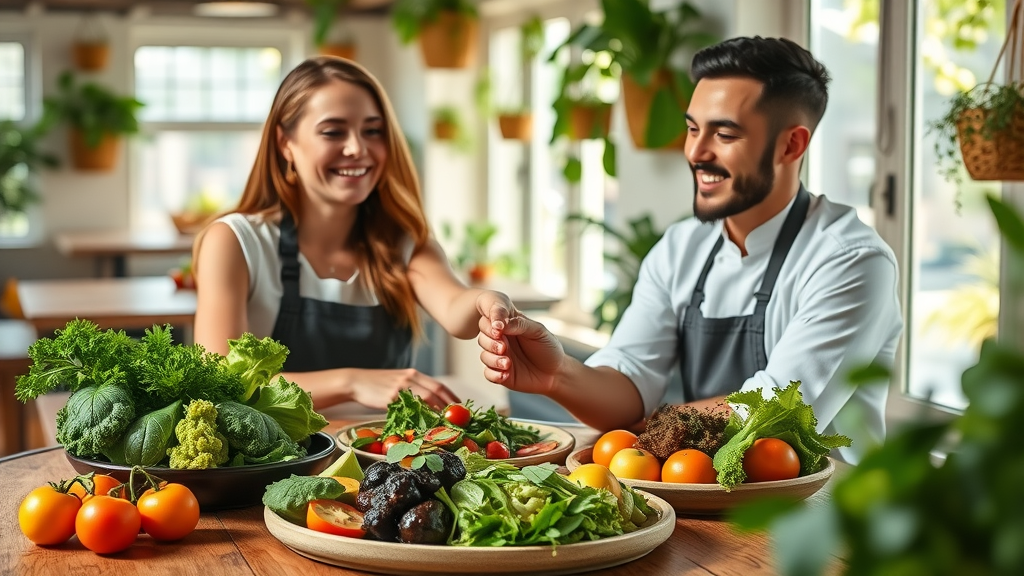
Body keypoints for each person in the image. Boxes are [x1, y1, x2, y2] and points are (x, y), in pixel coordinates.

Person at [477, 36, 903, 464]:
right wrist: (559, 374)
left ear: (791, 145)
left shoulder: (851, 261)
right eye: (693, 128)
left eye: (724, 133)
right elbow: (629, 384)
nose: (696, 152)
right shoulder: (682, 248)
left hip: (825, 513)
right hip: (706, 499)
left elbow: (775, 412)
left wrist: (644, 429)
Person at [192, 56, 515, 412]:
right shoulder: (235, 242)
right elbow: (221, 383)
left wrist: (487, 303)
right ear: (285, 143)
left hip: (388, 459)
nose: (357, 148)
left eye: (372, 131)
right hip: (277, 462)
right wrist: (352, 382)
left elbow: (455, 307)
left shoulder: (403, 240)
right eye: (333, 132)